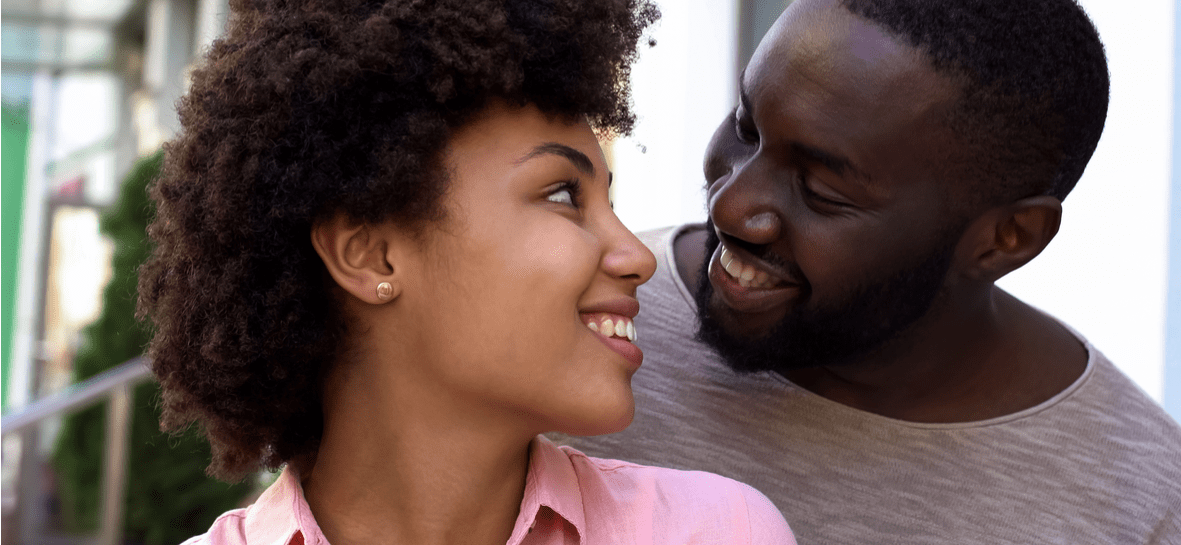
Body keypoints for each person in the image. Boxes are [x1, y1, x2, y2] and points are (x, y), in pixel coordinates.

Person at [552, 0, 1181, 543]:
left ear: (1005, 239)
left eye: (823, 191)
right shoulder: (554, 335)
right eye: (747, 126)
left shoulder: (1156, 518)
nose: (733, 206)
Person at [136, 0, 797, 544]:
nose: (637, 257)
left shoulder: (718, 531)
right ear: (371, 255)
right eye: (564, 193)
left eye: (610, 203)